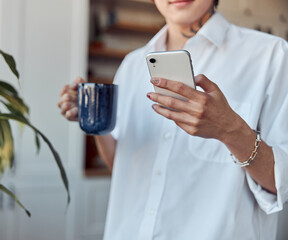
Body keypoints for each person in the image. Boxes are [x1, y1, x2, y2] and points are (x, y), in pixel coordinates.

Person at [58, 0, 288, 239]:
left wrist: (230, 130)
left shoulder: (270, 56)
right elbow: (124, 167)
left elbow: (282, 182)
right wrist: (94, 117)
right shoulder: (132, 65)